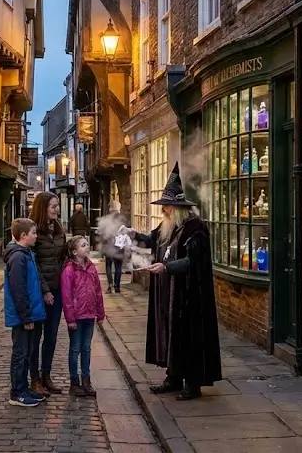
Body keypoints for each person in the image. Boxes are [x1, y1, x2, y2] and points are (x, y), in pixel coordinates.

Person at [128, 163, 221, 401]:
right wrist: (133, 234)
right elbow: (152, 239)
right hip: (167, 292)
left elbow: (193, 261)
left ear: (178, 207)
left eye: (167, 206)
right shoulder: (168, 225)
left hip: (188, 293)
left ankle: (192, 383)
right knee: (170, 335)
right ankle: (173, 377)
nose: (164, 211)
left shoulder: (195, 228)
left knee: (188, 338)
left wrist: (167, 267)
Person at [3, 218, 47, 407]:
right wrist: (26, 316)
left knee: (27, 352)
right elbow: (19, 290)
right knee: (20, 354)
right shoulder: (18, 257)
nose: (36, 236)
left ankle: (24, 388)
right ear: (23, 235)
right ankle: (17, 393)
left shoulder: (27, 254)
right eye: (33, 233)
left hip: (30, 313)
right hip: (22, 316)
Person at [28, 191, 66, 396]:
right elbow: (33, 265)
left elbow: (63, 258)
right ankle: (34, 379)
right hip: (39, 293)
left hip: (57, 290)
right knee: (35, 337)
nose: (57, 209)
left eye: (57, 205)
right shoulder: (33, 231)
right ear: (43, 208)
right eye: (53, 206)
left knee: (51, 336)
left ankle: (46, 376)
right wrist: (44, 291)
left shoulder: (58, 229)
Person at [60, 236, 105, 397]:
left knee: (86, 348)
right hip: (77, 317)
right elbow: (66, 296)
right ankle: (74, 382)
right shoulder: (69, 270)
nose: (87, 247)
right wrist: (70, 319)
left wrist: (100, 313)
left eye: (87, 244)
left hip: (89, 315)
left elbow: (98, 291)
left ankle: (86, 380)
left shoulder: (92, 268)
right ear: (74, 252)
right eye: (83, 245)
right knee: (75, 349)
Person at [100, 200, 131, 294]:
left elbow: (103, 234)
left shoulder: (107, 218)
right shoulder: (123, 219)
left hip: (109, 245)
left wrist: (103, 247)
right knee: (118, 267)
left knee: (108, 266)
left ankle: (110, 284)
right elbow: (127, 232)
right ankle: (117, 286)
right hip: (119, 246)